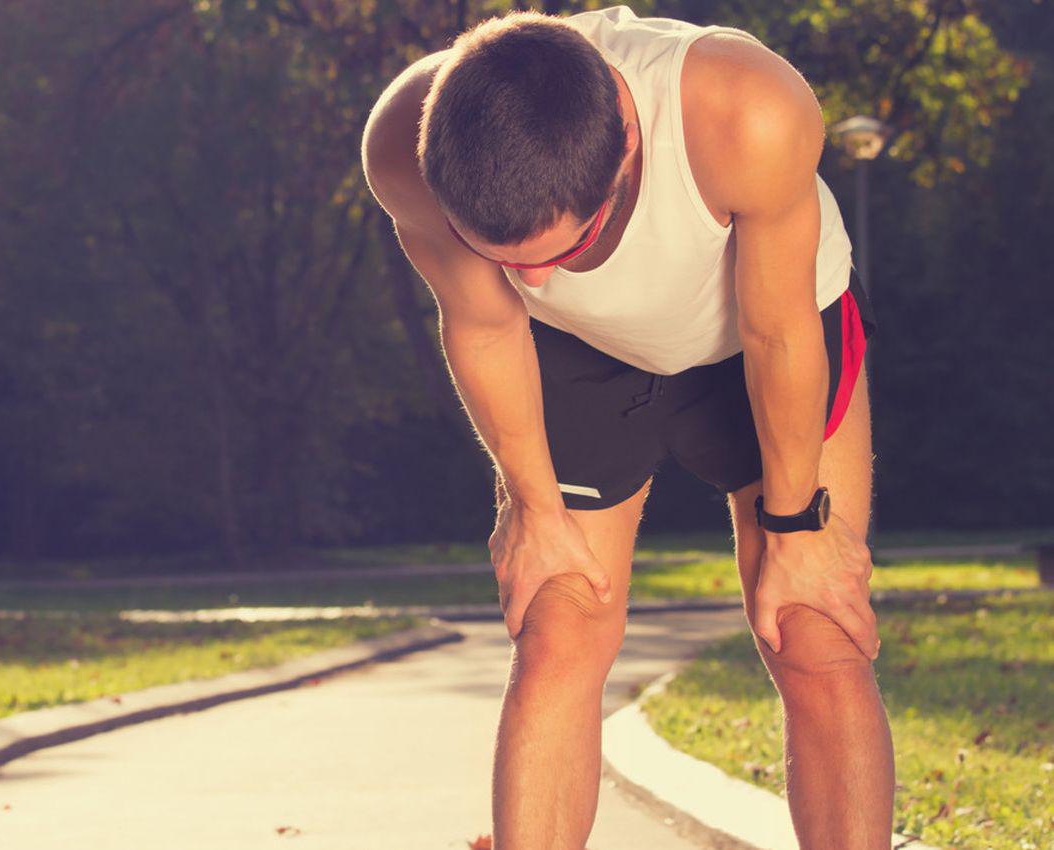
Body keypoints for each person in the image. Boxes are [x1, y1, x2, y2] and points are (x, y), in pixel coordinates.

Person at [360, 6, 892, 850]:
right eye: (508, 259)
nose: (532, 276)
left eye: (562, 251)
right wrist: (532, 508)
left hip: (763, 334)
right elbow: (491, 326)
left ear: (629, 147)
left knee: (811, 628)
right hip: (578, 353)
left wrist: (794, 529)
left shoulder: (745, 110)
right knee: (559, 624)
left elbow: (778, 333)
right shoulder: (403, 145)